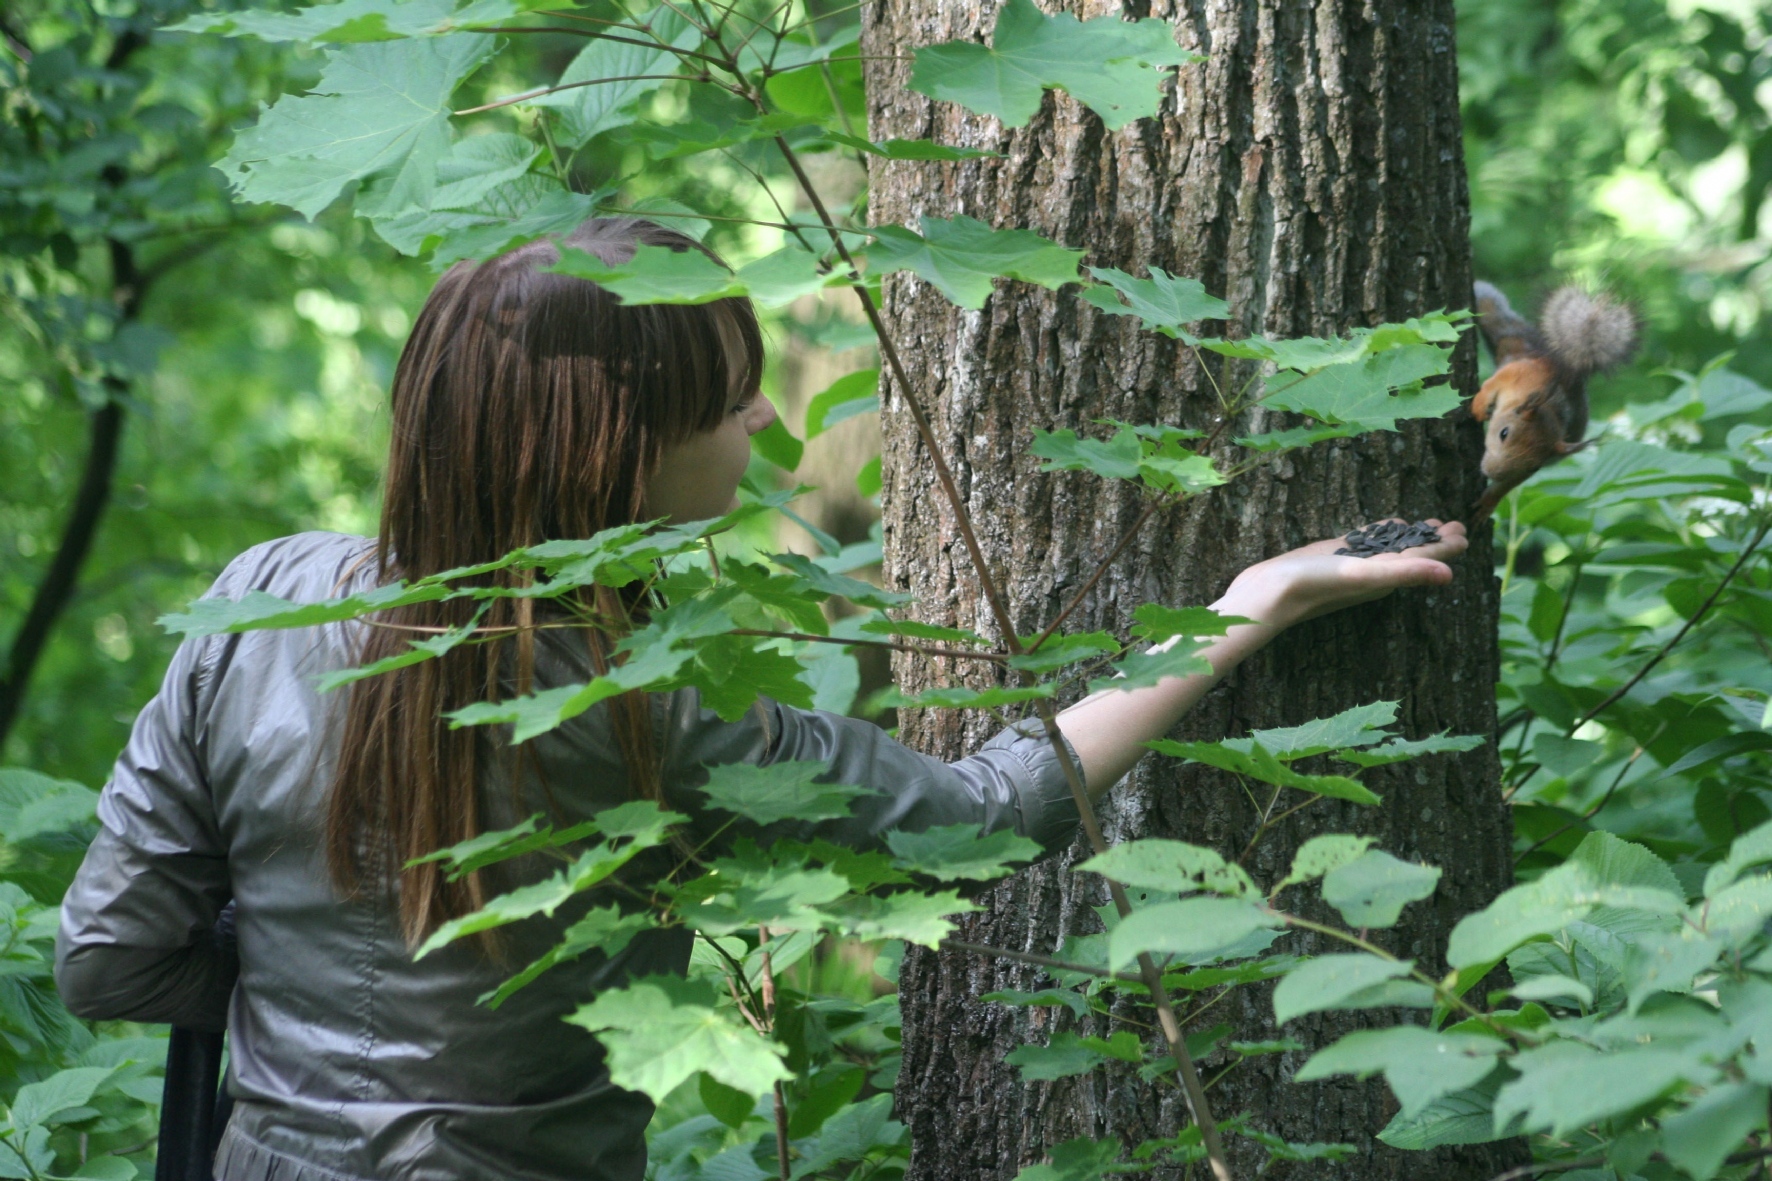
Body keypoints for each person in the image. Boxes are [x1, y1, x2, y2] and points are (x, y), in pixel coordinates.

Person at [54, 218, 1468, 1181]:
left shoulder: (255, 606)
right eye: (731, 405)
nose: (764, 430)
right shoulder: (645, 705)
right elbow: (983, 811)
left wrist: (309, 1018)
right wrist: (1246, 608)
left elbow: (108, 958)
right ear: (617, 450)